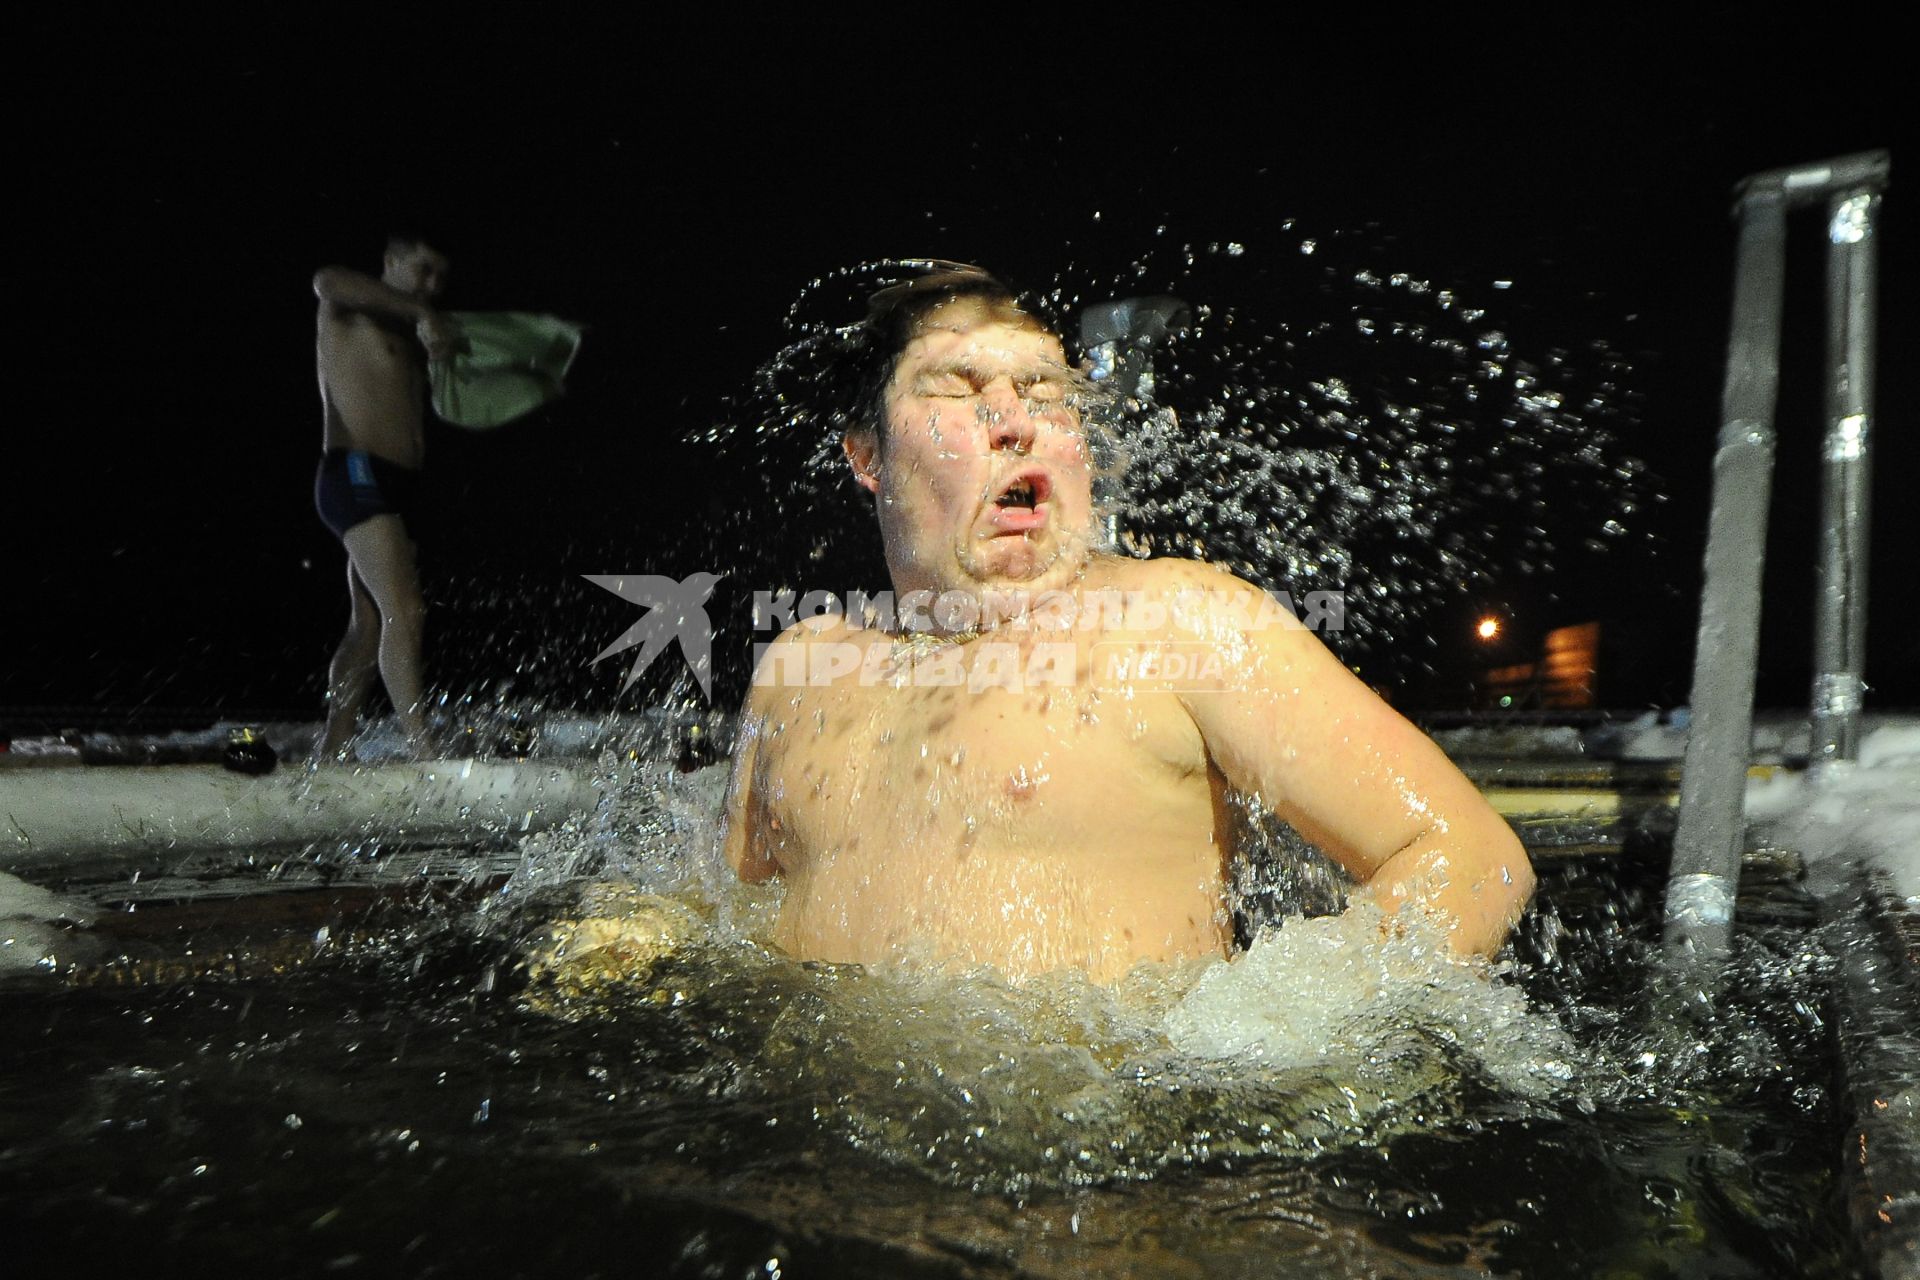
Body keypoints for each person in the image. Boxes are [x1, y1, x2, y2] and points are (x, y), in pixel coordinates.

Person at [720, 266, 1535, 983]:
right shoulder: (805, 661)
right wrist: (636, 935)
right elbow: (735, 915)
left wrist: (1260, 1036)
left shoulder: (1180, 622)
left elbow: (1468, 860)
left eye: (1046, 392)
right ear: (867, 456)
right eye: (958, 388)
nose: (1015, 417)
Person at [311, 234, 455, 760]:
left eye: (440, 277)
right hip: (355, 471)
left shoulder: (415, 333)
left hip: (397, 486)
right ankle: (424, 753)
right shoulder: (348, 304)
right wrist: (421, 309)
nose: (432, 286)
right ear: (391, 262)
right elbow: (325, 279)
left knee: (369, 623)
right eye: (422, 270)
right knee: (407, 610)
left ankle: (332, 749)